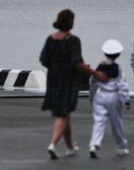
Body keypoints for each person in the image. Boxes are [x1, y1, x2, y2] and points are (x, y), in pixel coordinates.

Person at [40, 9, 108, 160]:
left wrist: (56, 67)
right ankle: (53, 144)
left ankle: (70, 147)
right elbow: (78, 63)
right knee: (63, 114)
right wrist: (96, 74)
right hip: (69, 81)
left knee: (65, 114)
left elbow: (43, 60)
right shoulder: (73, 41)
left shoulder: (50, 39)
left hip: (53, 80)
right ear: (70, 22)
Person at [89, 39, 131, 158]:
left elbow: (93, 83)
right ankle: (121, 147)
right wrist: (126, 100)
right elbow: (122, 86)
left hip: (99, 95)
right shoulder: (118, 69)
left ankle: (94, 144)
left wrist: (91, 98)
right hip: (113, 96)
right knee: (116, 122)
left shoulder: (99, 67)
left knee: (99, 122)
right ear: (118, 54)